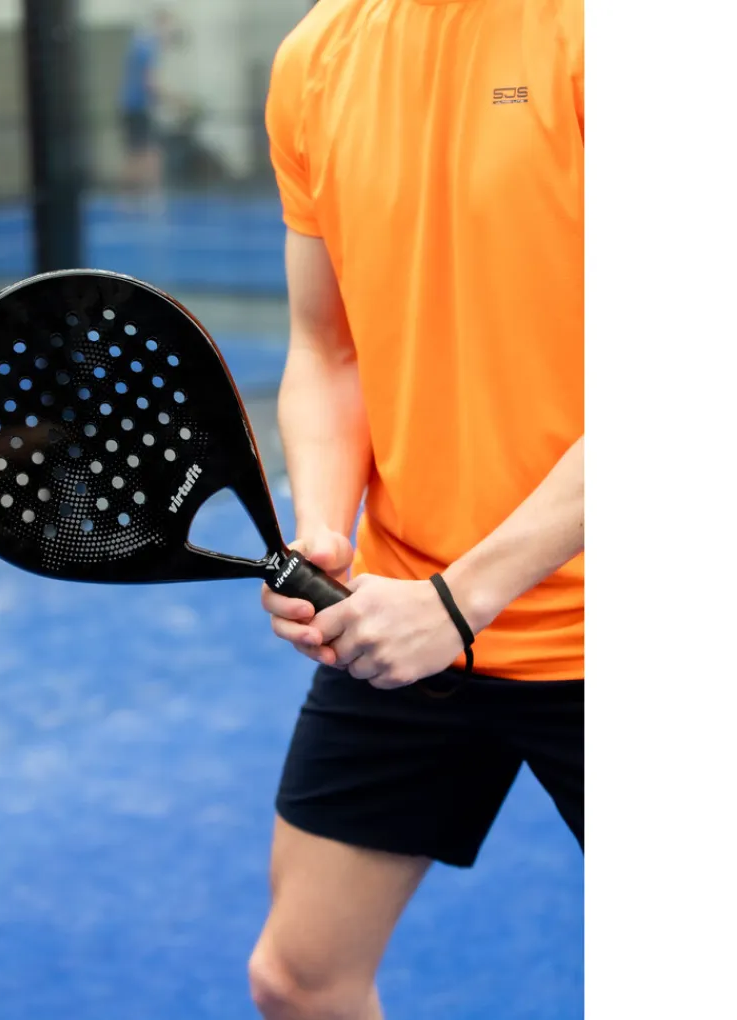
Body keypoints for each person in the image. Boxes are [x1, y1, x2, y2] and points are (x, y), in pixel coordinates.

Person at [249, 2, 584, 1018]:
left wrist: (459, 599)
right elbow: (329, 347)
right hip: (410, 618)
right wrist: (324, 533)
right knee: (300, 981)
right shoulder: (318, 57)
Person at [118, 9, 182, 204]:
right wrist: (176, 100)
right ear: (160, 25)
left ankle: (133, 198)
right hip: (137, 108)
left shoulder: (140, 45)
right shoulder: (149, 48)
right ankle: (149, 197)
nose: (170, 33)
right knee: (148, 154)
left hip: (133, 107)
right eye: (168, 27)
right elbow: (150, 83)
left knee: (139, 153)